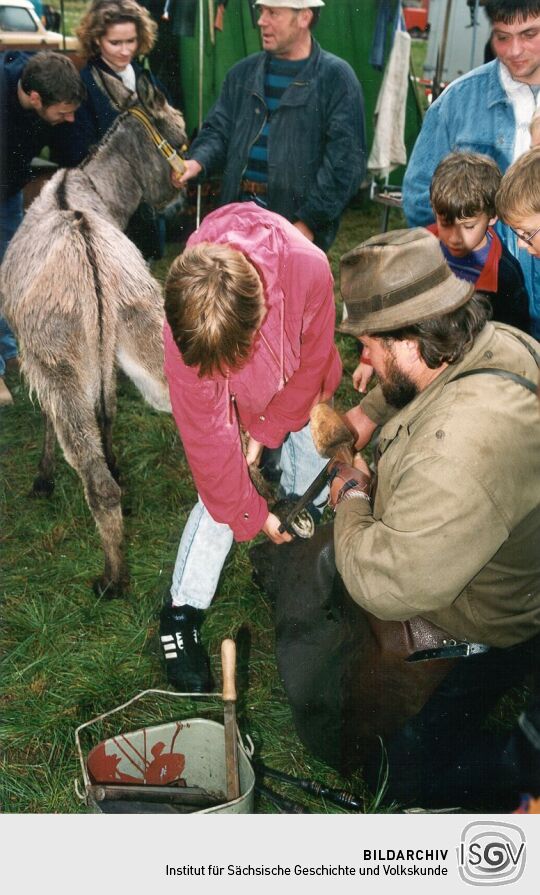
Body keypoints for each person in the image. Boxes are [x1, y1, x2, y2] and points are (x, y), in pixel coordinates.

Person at [329, 227, 540, 808]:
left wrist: (352, 494)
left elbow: (384, 582)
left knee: (396, 774)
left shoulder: (459, 450)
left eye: (369, 345)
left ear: (413, 341)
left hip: (494, 619)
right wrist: (371, 410)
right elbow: (416, 380)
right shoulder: (490, 335)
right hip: (493, 555)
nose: (362, 358)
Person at [160, 202, 342, 691]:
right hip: (238, 393)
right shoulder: (187, 324)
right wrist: (250, 511)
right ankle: (181, 614)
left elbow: (312, 363)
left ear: (258, 316)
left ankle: (299, 560)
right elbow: (207, 446)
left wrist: (268, 429)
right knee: (222, 487)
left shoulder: (309, 269)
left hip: (298, 383)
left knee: (311, 482)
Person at [174, 0, 366, 252]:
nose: (261, 21)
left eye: (273, 12)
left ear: (304, 18)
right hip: (236, 218)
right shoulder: (241, 74)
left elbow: (345, 164)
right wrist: (196, 161)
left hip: (294, 226)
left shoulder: (337, 79)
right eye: (261, 11)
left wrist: (308, 223)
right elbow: (218, 131)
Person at [402, 0, 540, 338]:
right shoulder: (457, 103)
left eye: (530, 34)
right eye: (502, 37)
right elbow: (420, 200)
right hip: (485, 309)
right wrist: (474, 251)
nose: (515, 50)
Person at [0, 50, 85, 406]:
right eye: (63, 112)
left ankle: (7, 350)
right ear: (35, 98)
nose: (70, 119)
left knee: (12, 271)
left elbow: (72, 152)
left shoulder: (49, 82)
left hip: (8, 191)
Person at [52, 0, 166, 259]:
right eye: (115, 43)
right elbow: (73, 154)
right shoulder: (83, 87)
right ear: (96, 40)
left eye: (131, 41)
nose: (125, 51)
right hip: (102, 209)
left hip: (143, 210)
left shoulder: (147, 79)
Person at [428, 151, 531, 333]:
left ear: (492, 217)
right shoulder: (420, 246)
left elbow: (513, 336)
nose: (454, 238)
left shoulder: (505, 275)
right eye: (445, 223)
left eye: (468, 227)